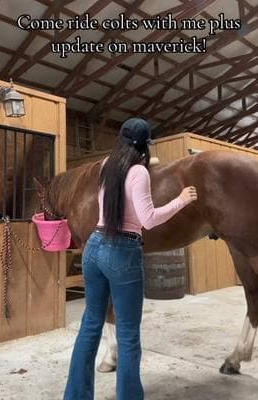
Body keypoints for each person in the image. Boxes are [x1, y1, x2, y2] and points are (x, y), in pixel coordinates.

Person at [63, 117, 197, 400]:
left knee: (90, 325)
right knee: (127, 333)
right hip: (122, 251)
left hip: (94, 247)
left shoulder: (105, 166)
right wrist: (181, 200)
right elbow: (148, 219)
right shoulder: (139, 172)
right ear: (145, 145)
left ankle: (75, 396)